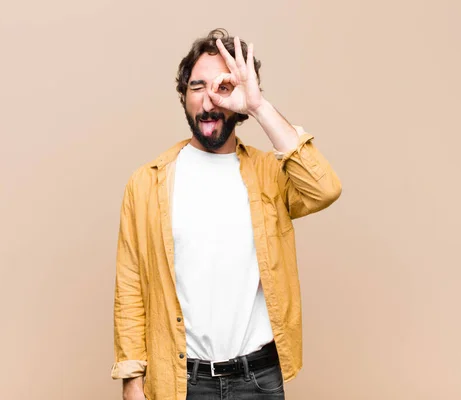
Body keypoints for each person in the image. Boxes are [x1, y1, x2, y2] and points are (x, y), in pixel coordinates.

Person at [112, 28, 342, 400]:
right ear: (183, 95)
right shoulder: (146, 184)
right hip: (181, 383)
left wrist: (258, 105)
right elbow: (130, 288)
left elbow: (324, 187)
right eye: (197, 87)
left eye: (222, 88)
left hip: (259, 379)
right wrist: (132, 380)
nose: (207, 102)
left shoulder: (269, 174)